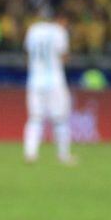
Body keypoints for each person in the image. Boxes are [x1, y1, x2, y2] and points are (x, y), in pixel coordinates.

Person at [23, 9, 75, 165]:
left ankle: (30, 154)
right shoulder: (59, 31)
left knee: (35, 118)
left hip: (35, 81)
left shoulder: (32, 30)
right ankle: (63, 155)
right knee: (60, 119)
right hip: (55, 81)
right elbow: (64, 56)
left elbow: (27, 54)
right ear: (58, 18)